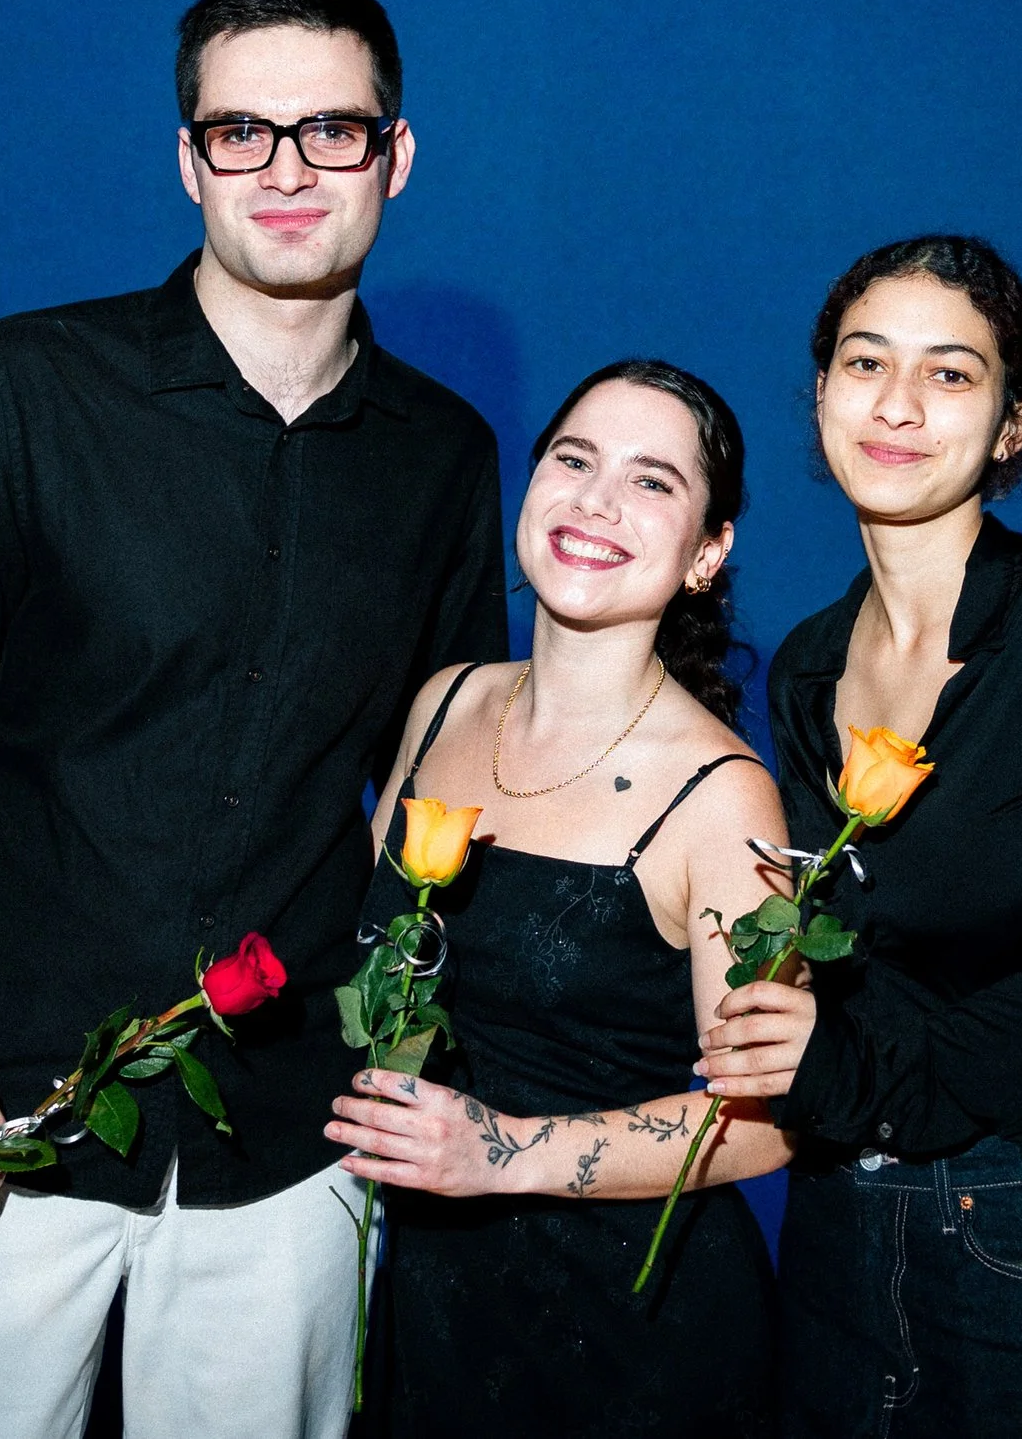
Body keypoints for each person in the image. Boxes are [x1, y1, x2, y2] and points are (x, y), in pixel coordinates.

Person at [0, 0, 510, 1439]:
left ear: (397, 155)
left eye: (332, 132)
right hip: (4, 1108)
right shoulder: (26, 387)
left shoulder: (444, 453)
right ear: (188, 159)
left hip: (295, 1145)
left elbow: (444, 797)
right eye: (242, 131)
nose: (287, 170)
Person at [702, 235, 1022, 1438]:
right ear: (820, 394)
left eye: (950, 373)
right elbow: (831, 947)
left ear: (1011, 426)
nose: (895, 403)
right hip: (840, 1223)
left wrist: (882, 1074)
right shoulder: (807, 665)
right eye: (863, 361)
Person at [326, 360, 799, 1437]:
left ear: (707, 551)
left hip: (634, 1331)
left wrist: (502, 1153)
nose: (594, 501)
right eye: (573, 460)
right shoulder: (445, 700)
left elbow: (769, 1125)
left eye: (652, 482)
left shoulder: (721, 794)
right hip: (431, 1302)